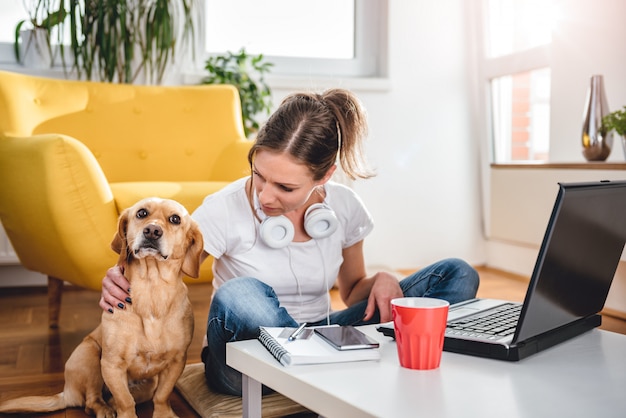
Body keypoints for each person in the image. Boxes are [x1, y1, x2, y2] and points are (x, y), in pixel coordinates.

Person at [100, 88, 479, 396]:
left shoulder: (344, 207)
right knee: (239, 296)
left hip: (323, 333)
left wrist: (380, 280)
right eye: (259, 175)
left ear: (325, 176)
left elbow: (351, 291)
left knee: (457, 274)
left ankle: (323, 366)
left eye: (285, 187)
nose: (265, 196)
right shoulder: (223, 209)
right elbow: (162, 260)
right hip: (247, 361)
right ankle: (337, 371)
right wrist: (117, 277)